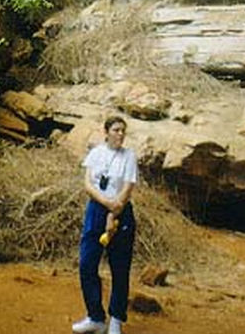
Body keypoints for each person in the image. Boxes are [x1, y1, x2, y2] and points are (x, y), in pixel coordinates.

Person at [72, 116, 138, 334]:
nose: (120, 134)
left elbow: (127, 189)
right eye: (116, 130)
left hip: (120, 211)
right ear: (106, 132)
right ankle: (96, 317)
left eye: (123, 131)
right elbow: (88, 184)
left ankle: (116, 319)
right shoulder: (97, 153)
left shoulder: (129, 156)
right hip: (97, 210)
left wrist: (113, 213)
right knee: (87, 263)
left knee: (120, 267)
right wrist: (106, 205)